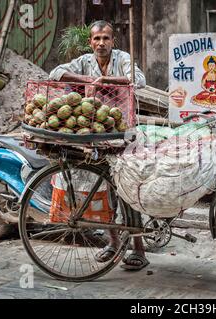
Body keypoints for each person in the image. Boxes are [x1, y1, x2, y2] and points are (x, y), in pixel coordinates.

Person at [48, 20, 149, 271]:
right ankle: (113, 243)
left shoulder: (123, 58)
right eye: (97, 39)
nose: (101, 43)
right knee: (103, 186)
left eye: (106, 38)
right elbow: (55, 73)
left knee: (126, 190)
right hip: (96, 134)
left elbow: (138, 80)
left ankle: (139, 248)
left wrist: (105, 80)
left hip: (122, 132)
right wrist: (87, 79)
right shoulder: (85, 61)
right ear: (90, 42)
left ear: (113, 41)